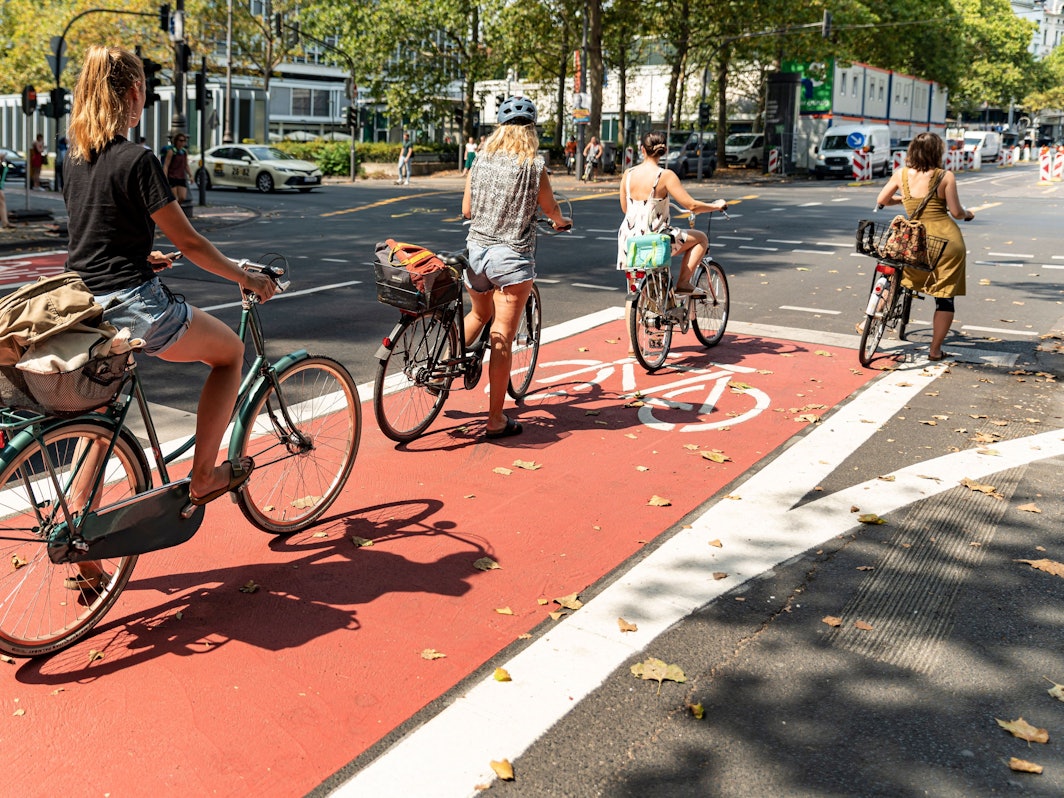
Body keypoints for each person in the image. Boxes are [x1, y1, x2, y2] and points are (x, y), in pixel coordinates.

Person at [63, 46, 276, 521]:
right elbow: (194, 243)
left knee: (100, 417)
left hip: (81, 305)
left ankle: (79, 530)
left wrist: (142, 255)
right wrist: (247, 278)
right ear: (136, 93)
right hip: (132, 306)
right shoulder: (137, 159)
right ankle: (204, 476)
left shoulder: (76, 159)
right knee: (230, 355)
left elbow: (93, 235)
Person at [462, 96, 571, 439]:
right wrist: (559, 221)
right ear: (531, 130)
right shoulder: (533, 166)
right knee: (502, 341)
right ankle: (495, 419)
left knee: (479, 314)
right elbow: (550, 207)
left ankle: (441, 370)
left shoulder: (479, 160)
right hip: (510, 259)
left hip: (475, 254)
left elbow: (466, 210)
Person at [874, 131, 974, 361]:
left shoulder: (901, 174)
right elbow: (957, 212)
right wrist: (969, 214)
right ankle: (935, 350)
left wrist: (904, 199)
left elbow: (882, 200)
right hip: (946, 243)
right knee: (945, 298)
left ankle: (872, 314)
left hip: (912, 241)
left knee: (896, 278)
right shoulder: (945, 176)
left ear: (912, 151)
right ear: (937, 152)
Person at [617, 130, 727, 295]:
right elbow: (692, 205)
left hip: (629, 238)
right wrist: (716, 205)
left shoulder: (628, 174)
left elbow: (626, 209)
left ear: (642, 149)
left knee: (634, 292)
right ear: (664, 151)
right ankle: (683, 283)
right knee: (701, 239)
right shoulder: (665, 176)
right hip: (655, 237)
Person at [161, 133, 192, 202]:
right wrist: (165, 177)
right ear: (176, 141)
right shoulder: (171, 151)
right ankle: (175, 212)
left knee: (182, 197)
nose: (182, 143)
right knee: (174, 198)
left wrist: (191, 175)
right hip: (172, 177)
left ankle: (176, 211)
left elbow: (186, 165)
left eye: (184, 141)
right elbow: (166, 165)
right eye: (180, 141)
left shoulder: (184, 152)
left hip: (181, 177)